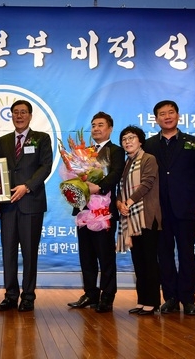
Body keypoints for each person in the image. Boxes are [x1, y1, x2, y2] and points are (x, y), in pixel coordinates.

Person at [144, 100, 195, 316]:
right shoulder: (149, 145)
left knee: (186, 253)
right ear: (156, 119)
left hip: (187, 208)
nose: (167, 116)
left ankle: (188, 298)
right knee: (163, 255)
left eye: (171, 112)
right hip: (159, 210)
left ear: (178, 116)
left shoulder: (193, 143)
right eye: (162, 114)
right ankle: (171, 298)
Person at [0, 100, 52, 312]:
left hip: (31, 203)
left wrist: (26, 187)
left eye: (23, 112)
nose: (19, 116)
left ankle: (28, 296)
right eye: (15, 112)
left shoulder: (41, 138)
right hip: (8, 204)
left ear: (30, 115)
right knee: (8, 251)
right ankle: (10, 295)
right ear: (11, 115)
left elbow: (46, 166)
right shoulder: (4, 141)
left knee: (29, 252)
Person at [67, 112, 125, 313]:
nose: (96, 129)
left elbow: (116, 174)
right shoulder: (85, 151)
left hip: (103, 212)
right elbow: (74, 175)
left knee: (105, 256)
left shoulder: (115, 150)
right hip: (84, 210)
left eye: (101, 125)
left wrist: (98, 188)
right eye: (93, 125)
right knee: (87, 255)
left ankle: (107, 296)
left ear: (110, 128)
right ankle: (90, 293)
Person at [115, 125, 162, 316]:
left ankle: (153, 302)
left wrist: (128, 201)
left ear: (140, 140)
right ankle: (143, 300)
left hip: (146, 217)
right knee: (139, 262)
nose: (127, 141)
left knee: (150, 261)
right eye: (124, 139)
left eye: (131, 138)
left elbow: (147, 183)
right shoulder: (126, 163)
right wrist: (119, 204)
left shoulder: (148, 159)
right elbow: (120, 188)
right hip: (130, 218)